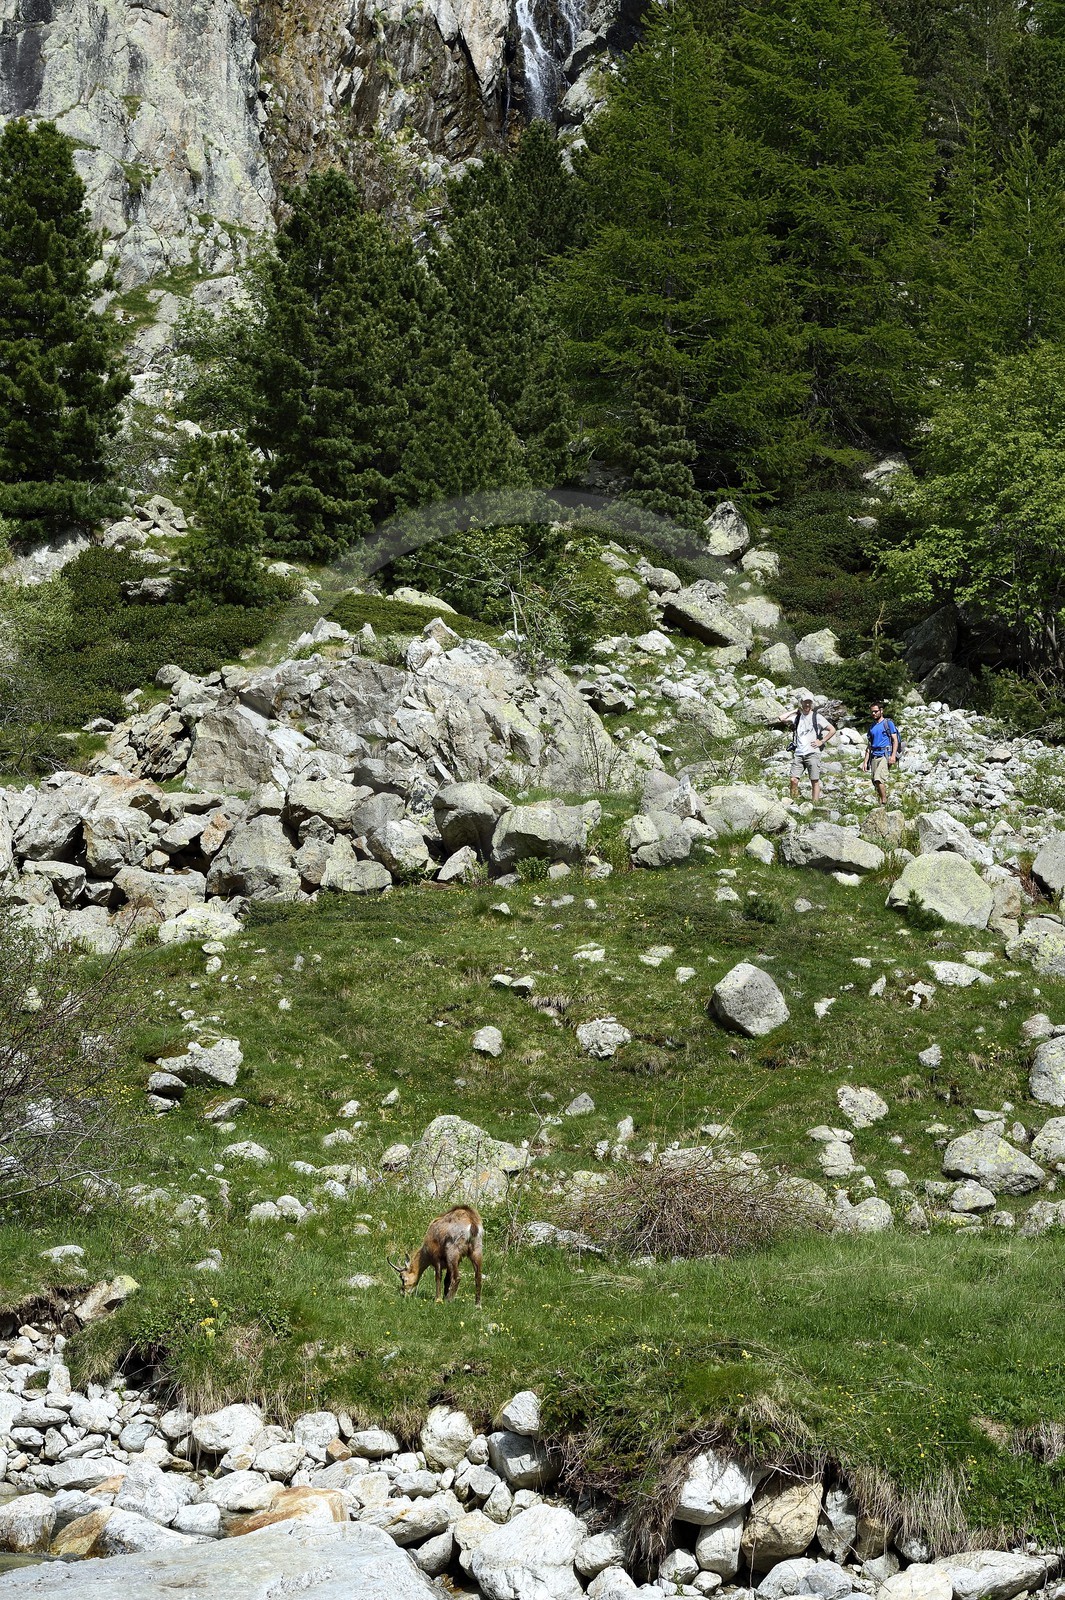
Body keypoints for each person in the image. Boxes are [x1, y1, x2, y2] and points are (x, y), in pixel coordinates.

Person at [780, 695, 836, 803]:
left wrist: (822, 741)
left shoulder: (817, 717)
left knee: (814, 780)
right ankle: (794, 803)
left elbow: (832, 730)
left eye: (809, 702)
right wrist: (794, 711)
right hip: (799, 753)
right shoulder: (797, 717)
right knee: (793, 779)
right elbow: (781, 718)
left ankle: (815, 804)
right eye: (805, 702)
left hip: (813, 753)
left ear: (811, 704)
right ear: (801, 703)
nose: (807, 705)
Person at [862, 701, 899, 804]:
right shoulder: (872, 727)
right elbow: (869, 745)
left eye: (876, 711)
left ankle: (884, 800)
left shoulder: (888, 723)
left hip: (885, 755)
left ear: (881, 711)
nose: (873, 714)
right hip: (874, 756)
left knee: (878, 778)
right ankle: (880, 801)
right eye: (872, 712)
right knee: (874, 780)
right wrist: (865, 762)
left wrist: (893, 756)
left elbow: (895, 740)